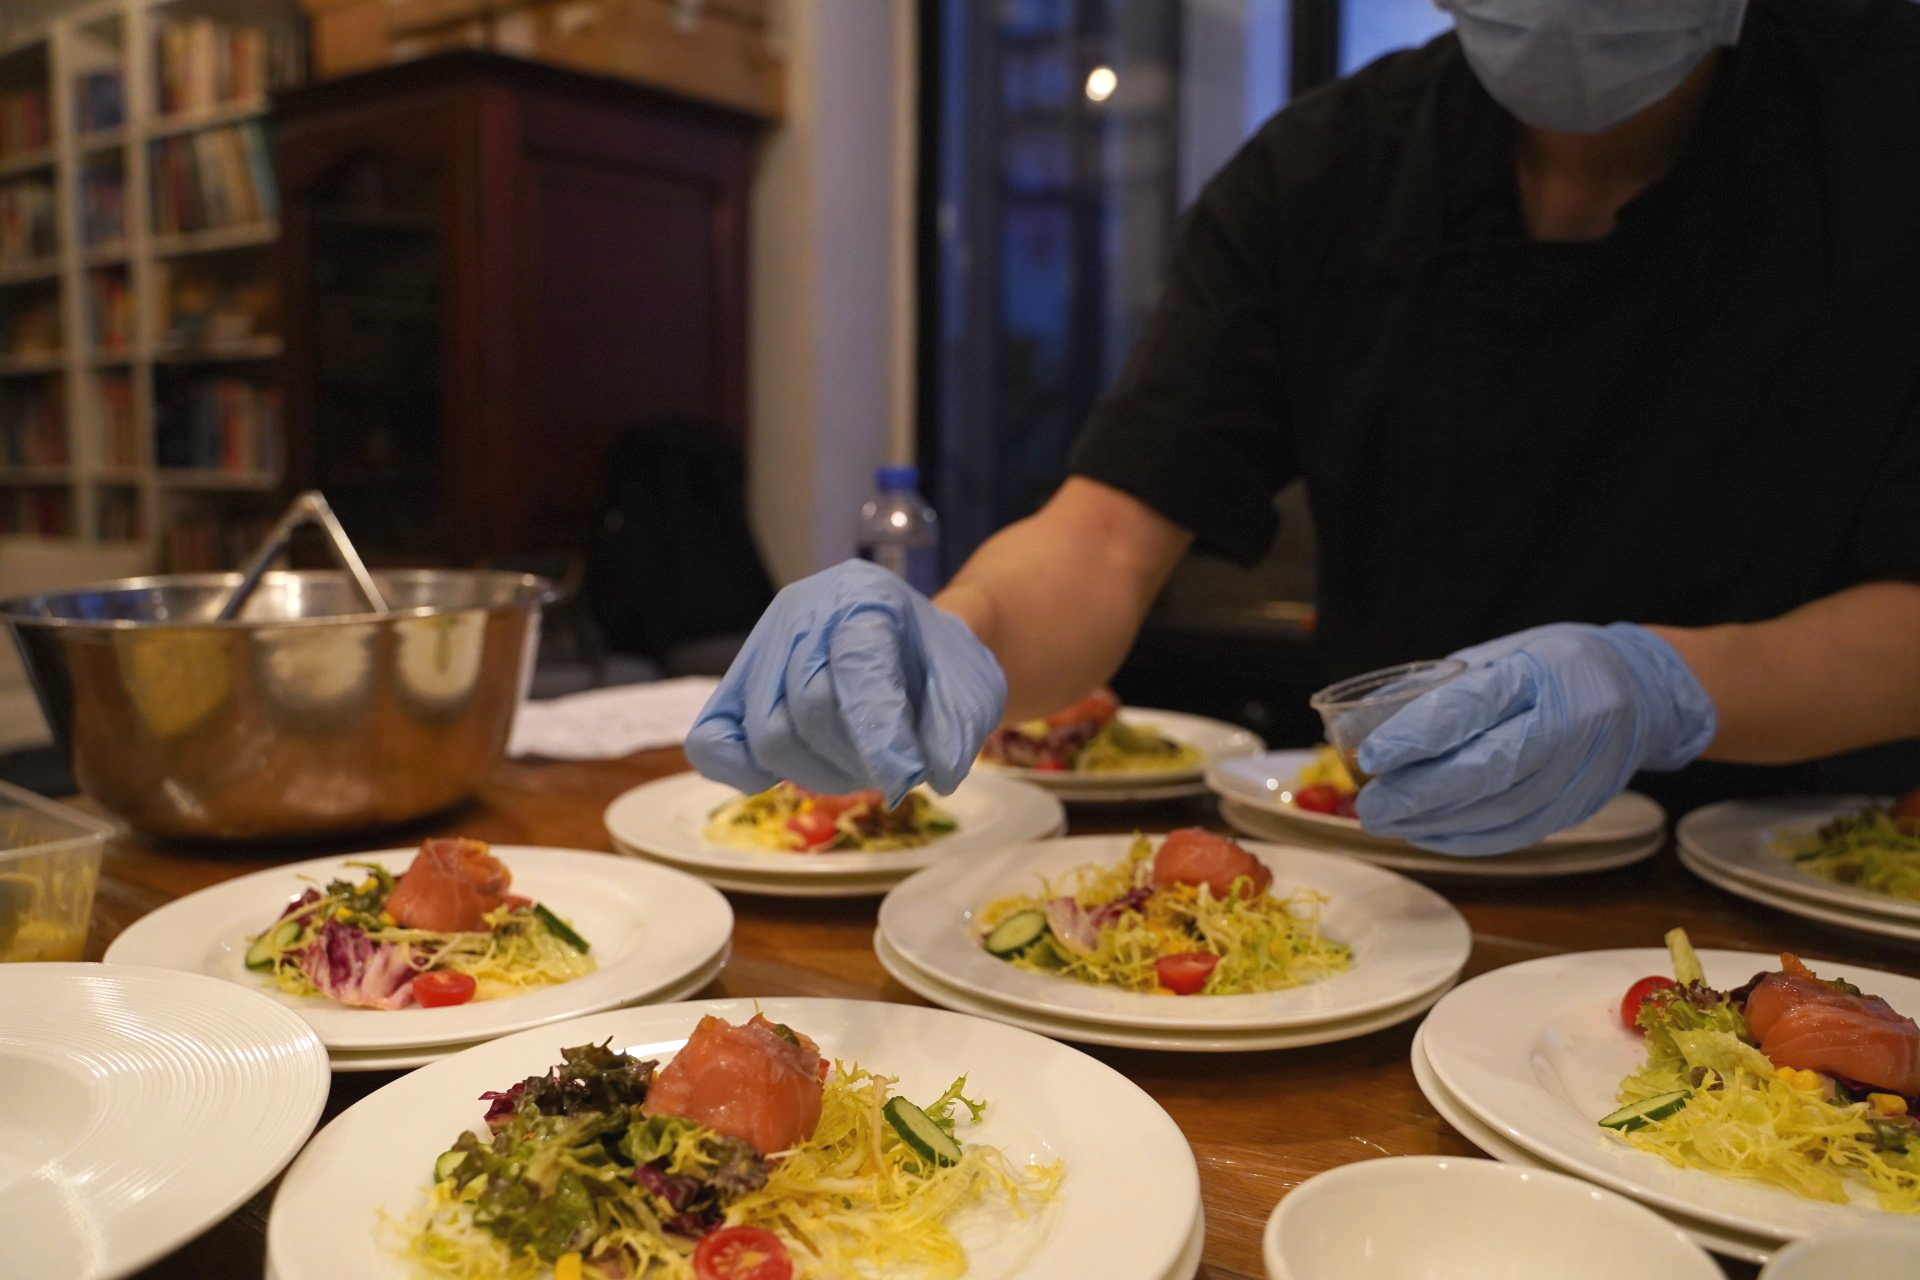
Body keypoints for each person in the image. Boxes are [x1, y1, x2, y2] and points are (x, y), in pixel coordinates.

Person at [688, 0, 1920, 855]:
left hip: (1805, 873)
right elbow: (1108, 536)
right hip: (1396, 876)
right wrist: (954, 636)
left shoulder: (1882, 123)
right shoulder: (1320, 178)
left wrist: (1664, 687)